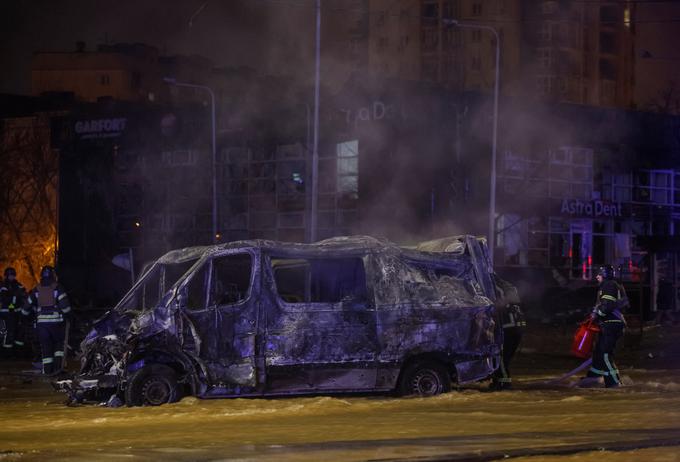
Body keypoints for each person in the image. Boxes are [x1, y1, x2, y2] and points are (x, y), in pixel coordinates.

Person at [22, 266, 71, 375]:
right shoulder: (57, 288)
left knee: (46, 348)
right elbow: (65, 307)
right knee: (58, 346)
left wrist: (25, 317)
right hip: (57, 324)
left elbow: (26, 308)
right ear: (54, 276)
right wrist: (69, 316)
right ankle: (58, 369)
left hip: (42, 326)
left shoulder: (37, 289)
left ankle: (48, 371)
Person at [586, 264, 627, 388]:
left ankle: (614, 383)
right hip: (610, 324)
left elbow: (606, 306)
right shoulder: (613, 285)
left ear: (604, 275)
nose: (597, 276)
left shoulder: (609, 285)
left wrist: (596, 314)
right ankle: (594, 378)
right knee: (598, 353)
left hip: (612, 324)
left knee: (604, 354)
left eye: (599, 274)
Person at [490, 275, 526, 390]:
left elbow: (497, 306)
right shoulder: (511, 290)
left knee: (501, 358)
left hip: (509, 330)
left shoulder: (499, 290)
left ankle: (504, 384)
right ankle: (500, 382)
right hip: (516, 330)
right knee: (505, 358)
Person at [0, 267, 27, 356]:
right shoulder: (4, 286)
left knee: (18, 330)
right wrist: (14, 299)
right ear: (6, 276)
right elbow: (5, 299)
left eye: (12, 275)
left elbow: (24, 294)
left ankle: (18, 351)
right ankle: (7, 352)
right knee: (9, 331)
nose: (11, 277)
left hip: (16, 313)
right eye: (9, 275)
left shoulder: (18, 285)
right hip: (6, 313)